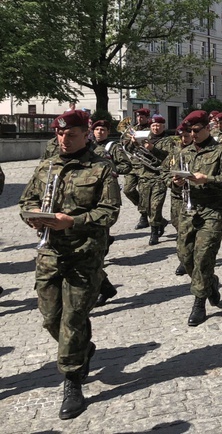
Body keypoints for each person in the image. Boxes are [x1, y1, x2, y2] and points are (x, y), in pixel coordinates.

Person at [19, 109, 121, 420]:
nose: (64, 139)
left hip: (84, 253)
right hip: (50, 252)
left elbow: (109, 212)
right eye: (60, 134)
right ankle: (83, 348)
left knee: (73, 319)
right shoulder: (47, 166)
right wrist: (35, 217)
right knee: (51, 318)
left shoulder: (102, 168)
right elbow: (26, 201)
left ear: (86, 134)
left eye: (71, 134)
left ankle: (72, 380)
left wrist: (72, 222)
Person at [172, 110, 222, 326]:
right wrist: (176, 181)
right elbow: (170, 175)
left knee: (203, 257)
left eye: (197, 130)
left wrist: (207, 179)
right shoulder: (185, 152)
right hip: (189, 210)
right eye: (190, 131)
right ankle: (210, 283)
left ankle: (199, 303)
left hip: (212, 210)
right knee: (185, 256)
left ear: (207, 128)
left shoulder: (221, 152)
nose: (193, 134)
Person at [90, 119, 132, 306]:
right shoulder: (86, 146)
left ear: (107, 132)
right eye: (97, 129)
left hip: (105, 197)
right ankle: (105, 287)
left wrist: (109, 169)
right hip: (87, 197)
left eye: (103, 129)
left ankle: (101, 286)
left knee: (94, 247)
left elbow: (126, 166)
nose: (99, 132)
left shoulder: (112, 147)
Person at [127, 114, 177, 245]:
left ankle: (154, 232)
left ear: (163, 126)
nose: (156, 127)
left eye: (158, 125)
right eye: (153, 125)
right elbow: (131, 152)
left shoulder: (168, 140)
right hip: (144, 176)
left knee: (155, 206)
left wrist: (153, 149)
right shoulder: (144, 137)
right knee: (146, 207)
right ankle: (162, 223)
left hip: (159, 176)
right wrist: (132, 144)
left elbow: (169, 157)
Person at [169, 123, 194, 276]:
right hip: (178, 196)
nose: (184, 139)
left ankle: (186, 260)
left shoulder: (199, 151)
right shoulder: (175, 151)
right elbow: (165, 171)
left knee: (189, 231)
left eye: (187, 136)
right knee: (178, 226)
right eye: (182, 136)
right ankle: (185, 257)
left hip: (195, 194)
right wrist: (172, 181)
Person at [121, 108, 151, 229]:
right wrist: (132, 143)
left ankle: (144, 216)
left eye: (142, 117)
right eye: (138, 116)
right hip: (133, 163)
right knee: (127, 189)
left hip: (146, 164)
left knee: (144, 192)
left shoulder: (151, 129)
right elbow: (125, 147)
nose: (140, 118)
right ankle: (145, 211)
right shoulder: (131, 130)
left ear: (147, 117)